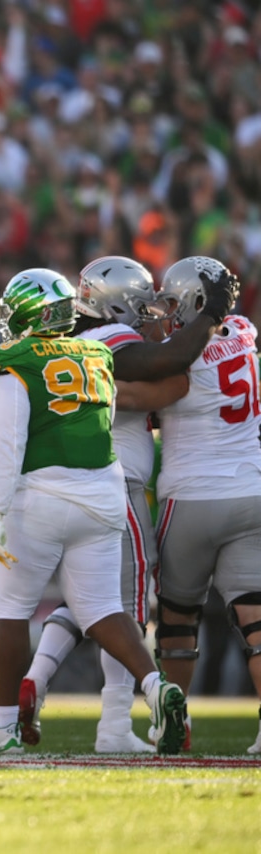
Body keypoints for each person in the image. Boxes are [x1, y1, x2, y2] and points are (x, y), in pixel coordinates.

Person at [18, 255, 238, 752]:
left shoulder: (71, 342)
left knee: (90, 598)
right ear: (115, 304)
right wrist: (209, 316)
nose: (149, 316)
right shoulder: (110, 339)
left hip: (70, 483)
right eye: (141, 306)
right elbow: (171, 366)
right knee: (129, 603)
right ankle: (115, 724)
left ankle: (36, 677)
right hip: (116, 481)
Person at [0, 267, 187, 756]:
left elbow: (6, 444)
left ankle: (4, 728)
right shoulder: (97, 354)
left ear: (30, 311)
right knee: (102, 608)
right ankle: (155, 686)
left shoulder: (13, 359)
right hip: (104, 495)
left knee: (8, 610)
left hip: (40, 496)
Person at [147, 256, 261, 755]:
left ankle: (178, 723)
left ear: (196, 302)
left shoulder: (177, 355)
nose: (168, 313)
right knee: (256, 622)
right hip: (252, 491)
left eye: (174, 303)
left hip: (193, 496)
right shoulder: (245, 329)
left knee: (176, 621)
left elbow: (168, 366)